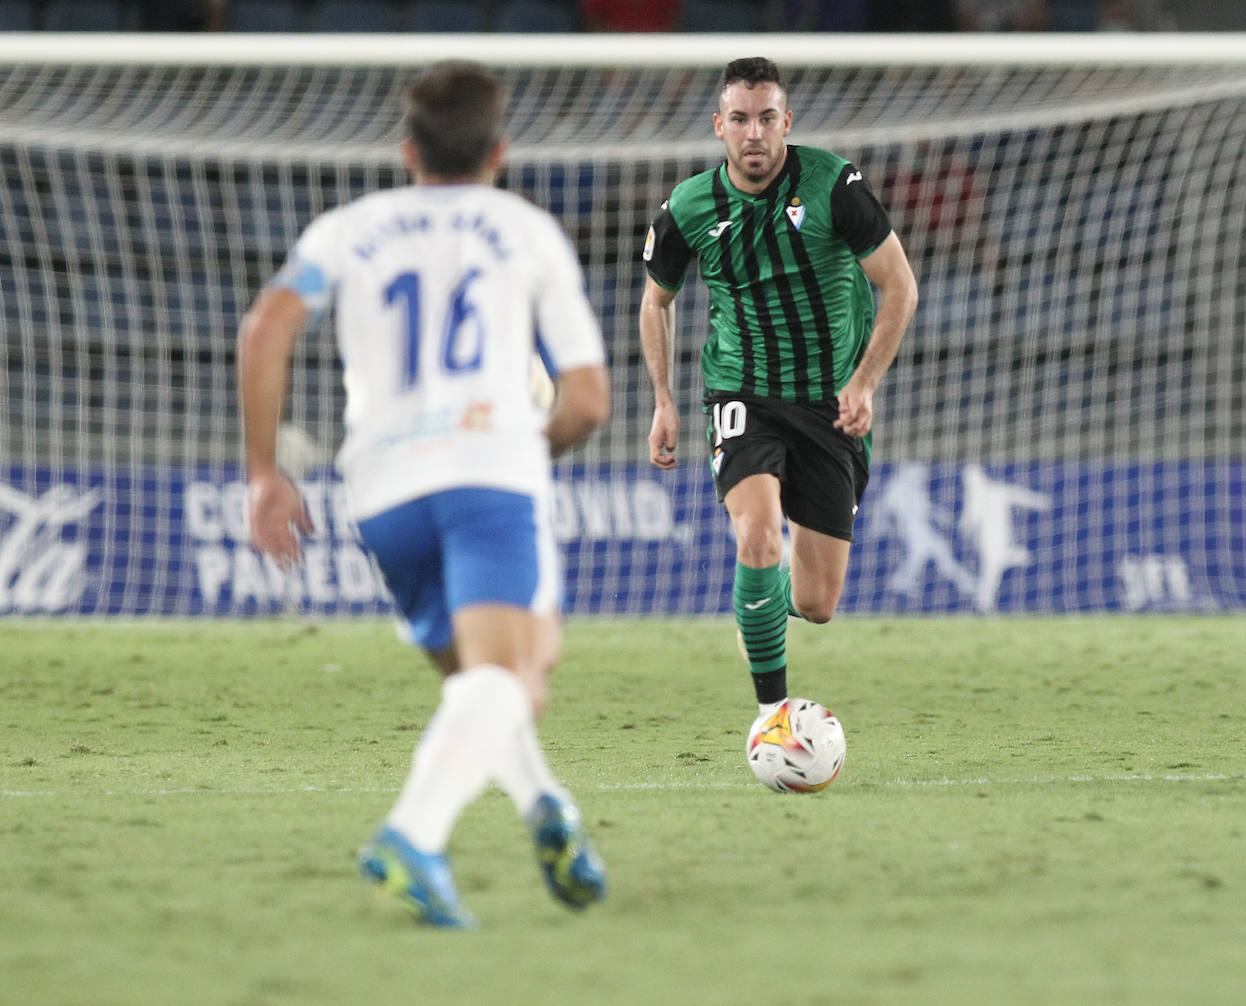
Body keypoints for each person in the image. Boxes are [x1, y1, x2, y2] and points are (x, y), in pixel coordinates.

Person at [238, 61, 610, 929]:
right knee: (521, 676)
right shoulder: (526, 231)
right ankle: (413, 833)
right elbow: (588, 401)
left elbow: (266, 327)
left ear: (407, 150)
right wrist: (528, 442)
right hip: (486, 473)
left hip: (383, 491)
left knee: (478, 682)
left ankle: (548, 810)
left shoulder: (348, 230)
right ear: (500, 151)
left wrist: (263, 473)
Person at [639, 57, 918, 732]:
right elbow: (656, 304)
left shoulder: (833, 185)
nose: (754, 133)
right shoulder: (689, 207)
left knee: (817, 603)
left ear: (786, 122)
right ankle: (774, 716)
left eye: (767, 118)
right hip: (743, 392)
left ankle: (758, 607)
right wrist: (664, 400)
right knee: (759, 536)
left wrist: (864, 382)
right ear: (719, 126)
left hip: (830, 402)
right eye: (740, 119)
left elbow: (900, 288)